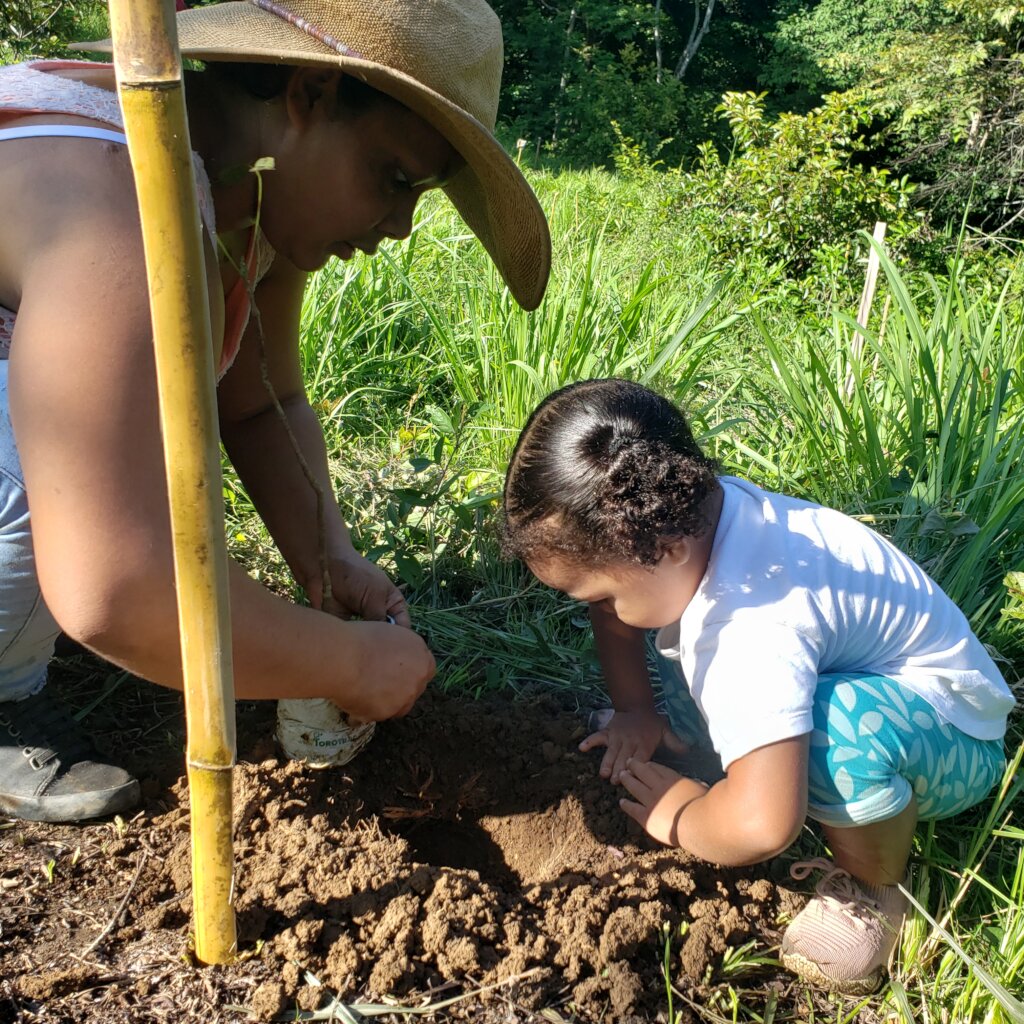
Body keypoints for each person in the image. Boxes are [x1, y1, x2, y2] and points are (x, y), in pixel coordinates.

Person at [0, 0, 551, 824]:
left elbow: (261, 401)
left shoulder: (249, 195)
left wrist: (327, 559)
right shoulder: (113, 201)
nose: (399, 227)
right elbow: (113, 586)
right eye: (394, 179)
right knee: (52, 475)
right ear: (307, 98)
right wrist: (346, 667)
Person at [501, 378, 1014, 996]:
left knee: (833, 730)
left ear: (665, 545)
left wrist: (686, 816)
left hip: (948, 735)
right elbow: (616, 616)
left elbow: (766, 826)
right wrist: (636, 711)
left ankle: (876, 894)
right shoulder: (695, 523)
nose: (600, 609)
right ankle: (711, 738)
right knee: (671, 621)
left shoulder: (752, 625)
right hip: (841, 672)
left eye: (599, 593)